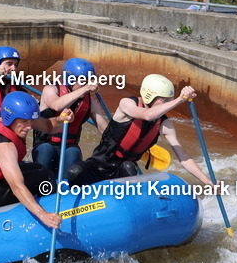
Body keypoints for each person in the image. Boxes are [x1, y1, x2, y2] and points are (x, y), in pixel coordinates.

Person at [67, 74, 216, 188]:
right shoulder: (127, 104)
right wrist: (180, 99)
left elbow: (183, 157)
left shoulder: (165, 124)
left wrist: (207, 181)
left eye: (169, 99)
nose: (168, 104)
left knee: (128, 167)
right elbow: (147, 115)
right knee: (75, 171)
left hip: (123, 170)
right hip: (98, 165)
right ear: (149, 95)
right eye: (164, 100)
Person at [0, 91, 72, 228]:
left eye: (31, 121)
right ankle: (50, 214)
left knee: (41, 171)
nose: (30, 126)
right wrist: (44, 215)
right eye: (25, 122)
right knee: (45, 179)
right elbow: (17, 187)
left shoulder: (4, 115)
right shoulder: (4, 145)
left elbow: (49, 126)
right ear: (10, 117)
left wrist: (60, 119)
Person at [32, 57, 109, 175]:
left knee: (73, 152)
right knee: (46, 150)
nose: (88, 85)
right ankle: (41, 184)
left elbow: (105, 130)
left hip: (69, 147)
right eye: (83, 81)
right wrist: (86, 88)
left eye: (90, 80)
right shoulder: (51, 90)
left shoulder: (91, 103)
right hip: (44, 145)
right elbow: (56, 106)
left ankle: (68, 186)